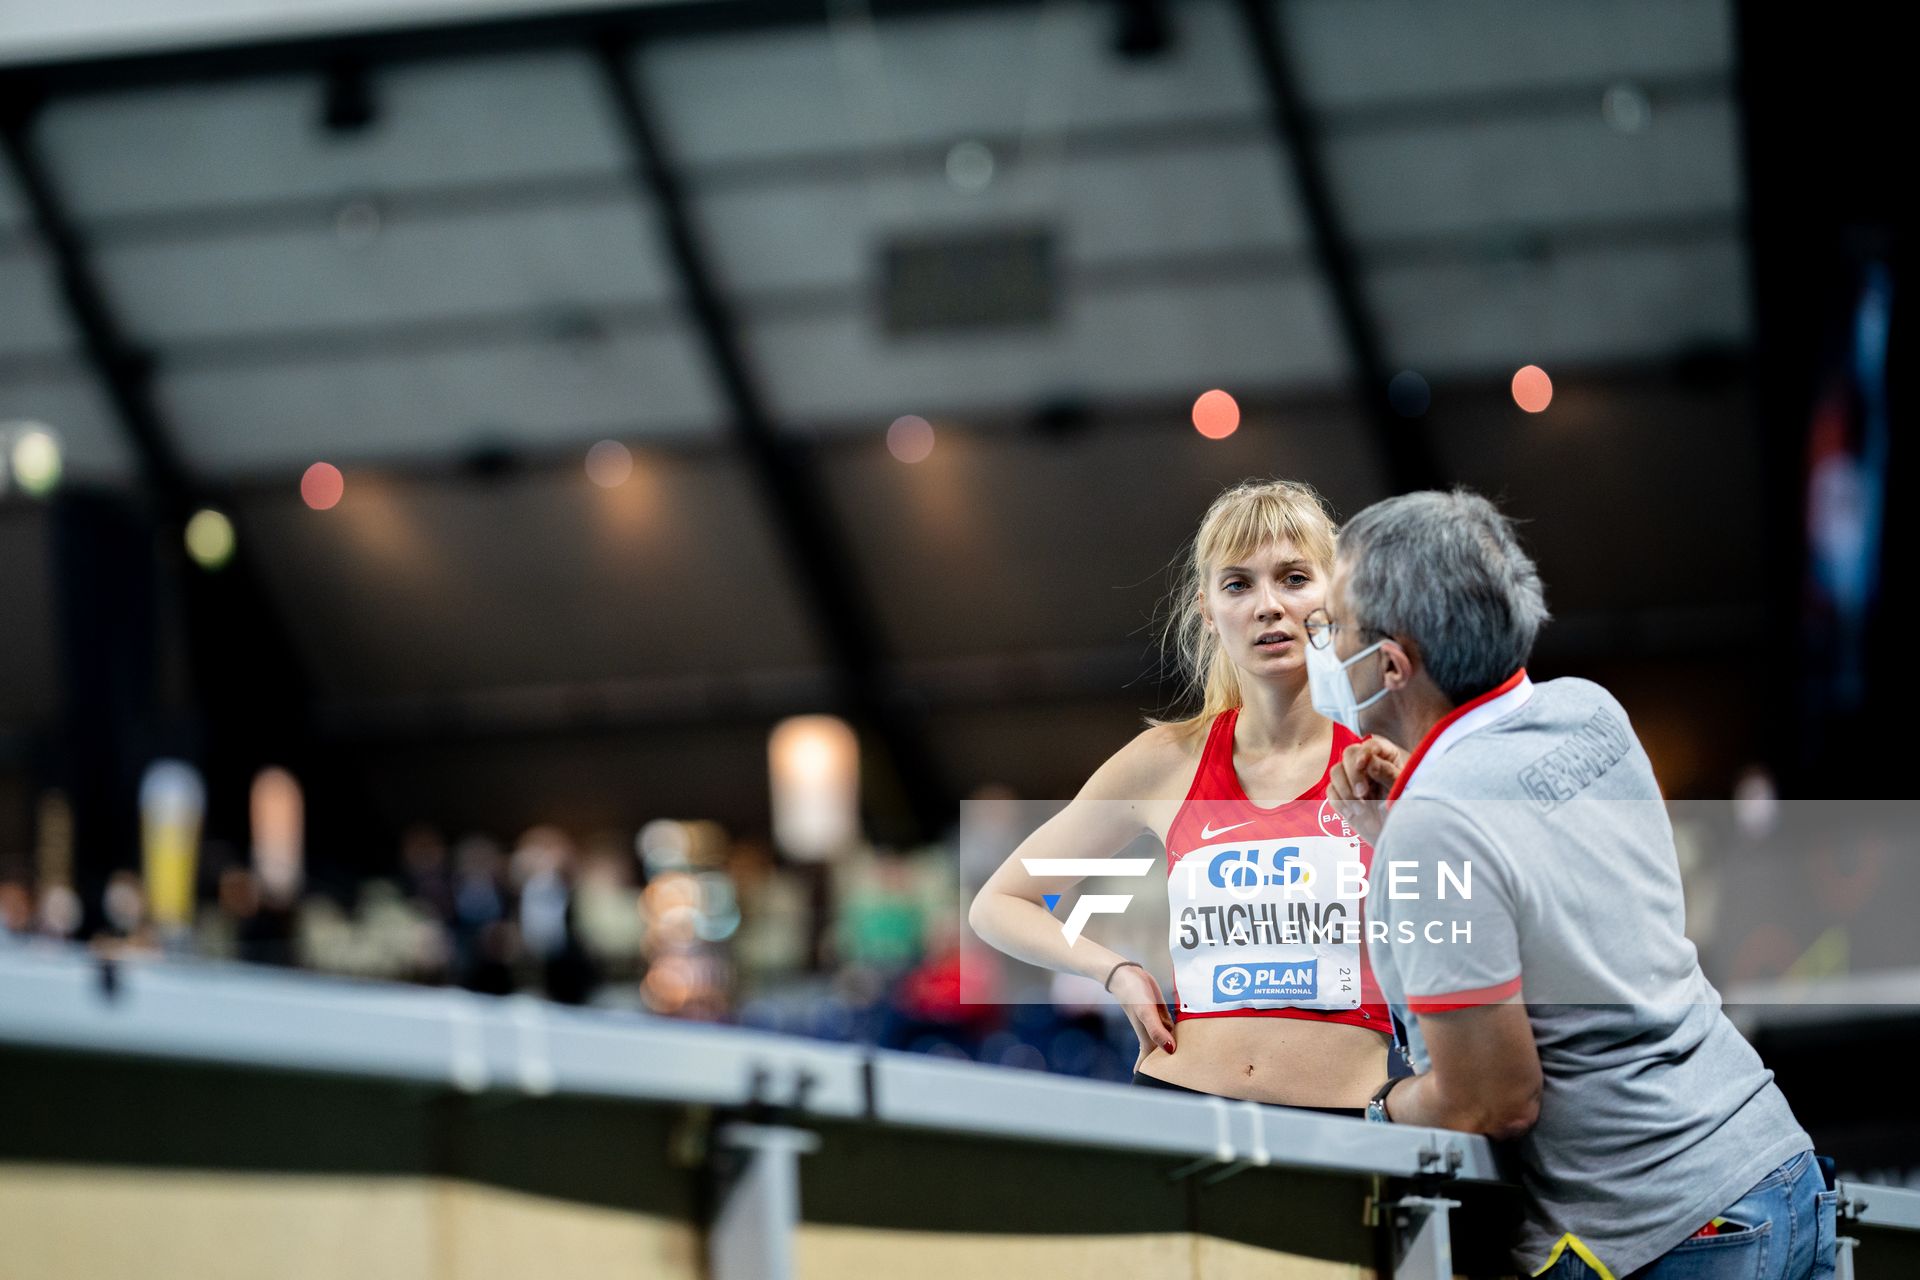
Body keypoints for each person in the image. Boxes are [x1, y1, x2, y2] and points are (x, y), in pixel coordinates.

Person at [1317, 489, 1830, 1279]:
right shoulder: (1592, 713)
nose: (1324, 647)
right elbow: (1557, 911)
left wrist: (1378, 1109)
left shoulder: (1438, 824)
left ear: (1390, 664)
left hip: (1668, 1234)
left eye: (1336, 629)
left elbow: (1492, 1098)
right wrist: (1402, 839)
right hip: (1777, 1171)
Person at [969, 478, 1392, 1112]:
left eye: (1295, 578)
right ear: (1207, 609)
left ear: (1337, 597)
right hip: (1182, 1105)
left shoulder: (1383, 756)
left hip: (1344, 1122)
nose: (1268, 605)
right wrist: (1113, 971)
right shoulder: (1165, 764)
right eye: (1238, 584)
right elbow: (1000, 902)